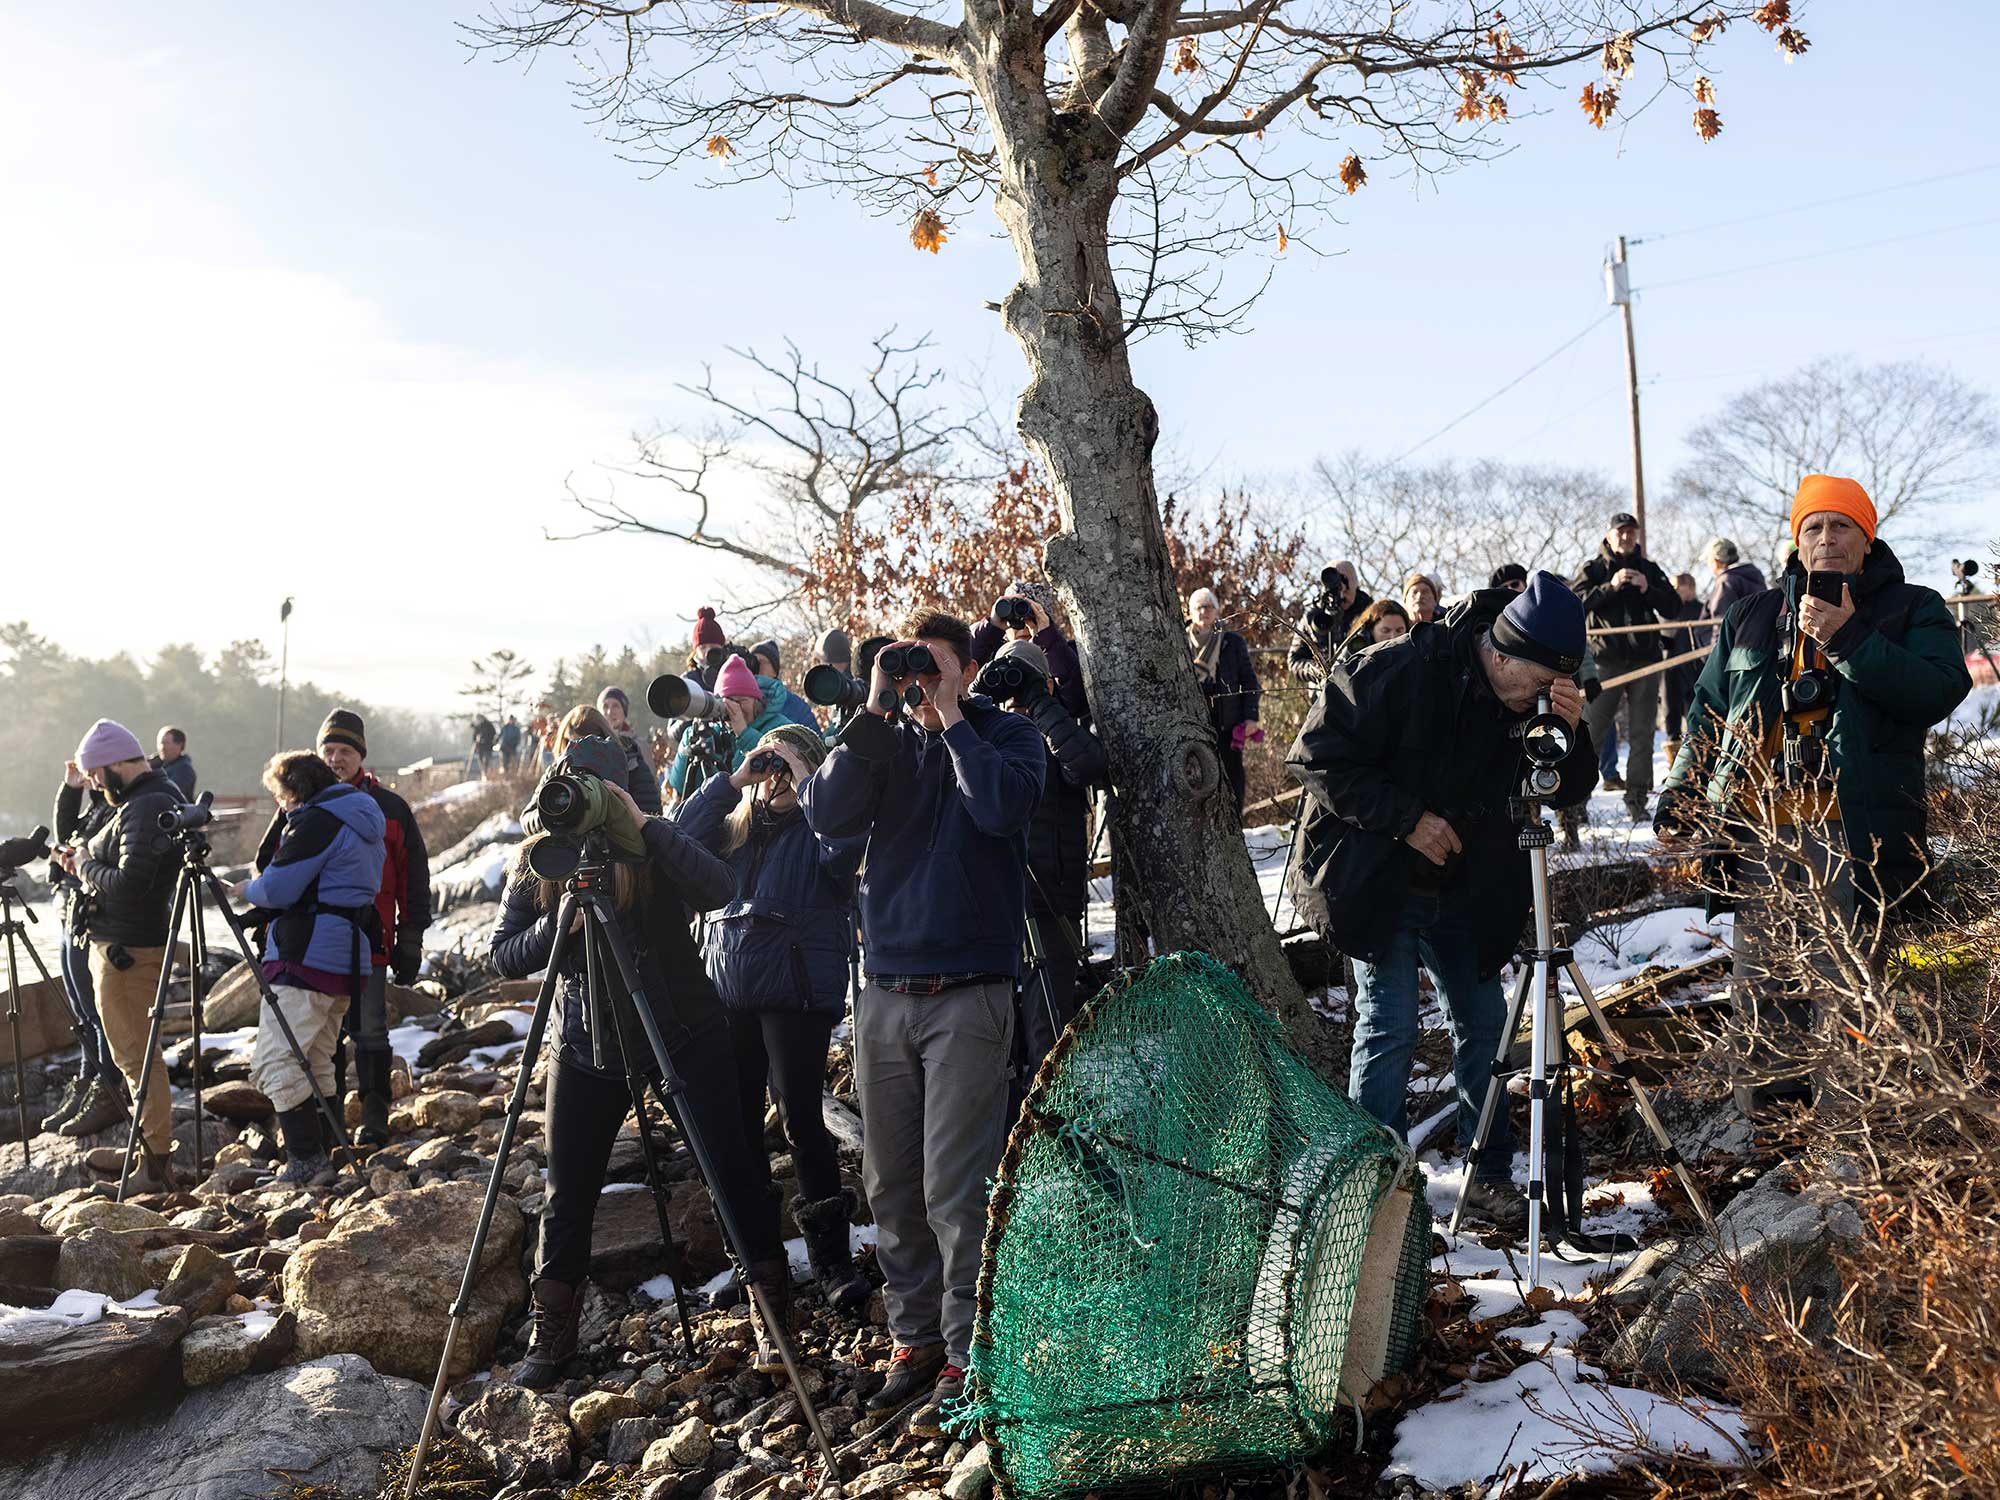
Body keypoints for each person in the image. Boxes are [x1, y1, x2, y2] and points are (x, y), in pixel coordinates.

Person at [1286, 574, 1596, 1233]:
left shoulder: (1543, 699)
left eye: (1557, 687)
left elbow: (1569, 786)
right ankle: (1379, 1202)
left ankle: (1487, 1176)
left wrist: (1569, 728)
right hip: (1375, 875)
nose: (1543, 698)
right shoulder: (1402, 667)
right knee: (1390, 1027)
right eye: (1540, 683)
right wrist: (1408, 820)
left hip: (1468, 886)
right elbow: (1314, 757)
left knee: (1484, 1026)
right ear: (1502, 655)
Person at [801, 607, 1046, 1432]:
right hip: (887, 993)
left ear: (968, 670)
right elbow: (827, 815)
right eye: (910, 667)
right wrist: (872, 711)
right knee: (890, 1184)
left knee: (952, 1184)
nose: (921, 680)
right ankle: (913, 1341)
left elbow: (1000, 811)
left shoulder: (1007, 738)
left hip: (971, 990)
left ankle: (966, 1350)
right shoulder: (883, 741)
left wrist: (950, 724)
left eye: (937, 666)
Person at [1656, 476, 1971, 1110]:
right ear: (1797, 543)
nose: (1827, 539)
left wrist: (1849, 637)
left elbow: (1939, 690)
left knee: (1848, 993)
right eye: (1813, 528)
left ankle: (1844, 1144)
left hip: (1854, 835)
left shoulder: (1915, 607)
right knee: (1763, 994)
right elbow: (1708, 713)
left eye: (1842, 526)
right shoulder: (1752, 613)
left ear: (1867, 536)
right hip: (1759, 835)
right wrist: (1681, 792)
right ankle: (1770, 1144)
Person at [492, 734, 789, 1384]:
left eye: (606, 791)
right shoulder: (542, 856)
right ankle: (554, 1334)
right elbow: (504, 953)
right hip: (587, 1041)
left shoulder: (652, 842)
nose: (589, 803)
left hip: (681, 1031)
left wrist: (648, 825)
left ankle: (772, 1315)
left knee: (729, 1167)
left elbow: (719, 887)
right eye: (576, 786)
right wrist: (557, 926)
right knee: (567, 1190)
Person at [675, 723, 871, 1311]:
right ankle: (757, 1258)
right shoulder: (737, 830)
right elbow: (678, 840)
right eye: (772, 768)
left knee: (802, 1125)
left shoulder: (824, 825)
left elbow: (845, 864)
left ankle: (832, 1261)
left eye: (788, 767)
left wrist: (813, 784)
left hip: (796, 993)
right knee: (734, 1131)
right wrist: (736, 778)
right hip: (728, 988)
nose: (777, 779)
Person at [256, 709, 432, 1148]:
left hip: (369, 941)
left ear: (361, 756)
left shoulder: (390, 808)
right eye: (328, 750)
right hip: (316, 942)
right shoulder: (298, 806)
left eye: (345, 751)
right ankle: (330, 1127)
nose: (336, 758)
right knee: (322, 1041)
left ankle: (374, 1118)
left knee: (370, 1030)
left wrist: (411, 937)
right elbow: (269, 864)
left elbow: (414, 877)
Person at [48, 720, 182, 1191]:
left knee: (136, 1058)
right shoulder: (139, 801)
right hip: (121, 943)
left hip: (129, 950)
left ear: (116, 765)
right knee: (133, 1055)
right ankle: (148, 1147)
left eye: (98, 777)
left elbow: (129, 888)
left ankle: (155, 1166)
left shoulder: (147, 806)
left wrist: (84, 865)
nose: (97, 788)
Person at [240, 752, 385, 1185]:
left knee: (275, 1060)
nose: (281, 807)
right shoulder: (362, 814)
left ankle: (306, 1159)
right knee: (317, 1056)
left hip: (307, 954)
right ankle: (325, 1155)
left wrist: (245, 889)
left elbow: (277, 886)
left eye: (281, 797)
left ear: (296, 790)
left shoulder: (317, 821)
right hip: (346, 953)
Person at [988, 638, 1107, 1091]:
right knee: (996, 1031)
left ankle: (1050, 1132)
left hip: (1051, 900)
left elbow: (1087, 766)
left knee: (1048, 1033)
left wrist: (1041, 702)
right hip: (997, 902)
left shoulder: (1061, 731)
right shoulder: (984, 730)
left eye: (1026, 678)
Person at [1571, 511, 1678, 821]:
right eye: (1620, 532)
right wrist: (1610, 587)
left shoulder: (1650, 568)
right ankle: (1576, 805)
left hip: (1645, 662)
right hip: (1604, 664)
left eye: (1631, 532)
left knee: (1643, 736)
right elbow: (1574, 603)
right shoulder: (1593, 569)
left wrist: (1648, 588)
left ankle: (1637, 802)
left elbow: (1673, 606)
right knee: (1591, 734)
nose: (1626, 537)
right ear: (1609, 534)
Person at [43, 763, 120, 1136]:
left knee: (95, 1008)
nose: (88, 776)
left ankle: (107, 1092)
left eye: (92, 770)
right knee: (79, 1008)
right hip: (70, 913)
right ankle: (88, 1081)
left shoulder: (118, 806)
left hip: (91, 919)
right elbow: (67, 833)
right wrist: (70, 789)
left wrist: (75, 858)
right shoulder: (95, 805)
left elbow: (88, 853)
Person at [667, 655, 802, 795]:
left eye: (742, 700)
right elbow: (679, 787)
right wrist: (690, 744)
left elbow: (787, 769)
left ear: (756, 702)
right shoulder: (705, 733)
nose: (735, 707)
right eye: (729, 700)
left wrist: (744, 734)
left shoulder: (780, 727)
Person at [1187, 587, 1261, 816]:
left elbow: (1249, 681)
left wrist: (1251, 716)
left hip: (1227, 725)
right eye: (1198, 608)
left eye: (1208, 607)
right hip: (1194, 725)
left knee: (1232, 780)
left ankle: (1235, 827)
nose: (1203, 612)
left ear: (1217, 611)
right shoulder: (1179, 642)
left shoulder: (1231, 642)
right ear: (1191, 612)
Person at [1288, 561, 1373, 686]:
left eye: (1345, 581)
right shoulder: (1312, 617)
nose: (1341, 590)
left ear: (1356, 583)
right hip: (1323, 693)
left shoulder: (1372, 614)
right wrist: (1318, 670)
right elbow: (1294, 661)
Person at [598, 687, 666, 815]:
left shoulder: (638, 744)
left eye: (616, 706)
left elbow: (650, 785)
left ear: (624, 710)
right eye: (605, 706)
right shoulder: (594, 745)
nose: (609, 711)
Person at [1661, 572, 1704, 766]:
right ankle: (1674, 765)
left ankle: (1698, 762)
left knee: (1696, 713)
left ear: (1691, 587)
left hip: (1695, 668)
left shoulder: (1702, 610)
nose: (1677, 591)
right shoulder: (1669, 611)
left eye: (1680, 586)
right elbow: (1664, 639)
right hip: (1671, 668)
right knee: (1671, 714)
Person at [1702, 537, 1767, 645]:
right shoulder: (1754, 577)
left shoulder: (1726, 582)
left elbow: (1722, 623)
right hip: (1760, 642)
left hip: (1739, 649)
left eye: (1709, 561)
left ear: (1716, 562)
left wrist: (1716, 654)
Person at [745, 639, 820, 730]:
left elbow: (813, 740)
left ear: (775, 671)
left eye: (761, 662)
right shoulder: (739, 700)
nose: (756, 667)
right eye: (752, 662)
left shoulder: (796, 706)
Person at [1339, 598, 1411, 659]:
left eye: (1399, 631)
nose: (1393, 637)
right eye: (1385, 631)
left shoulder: (1414, 655)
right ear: (1371, 631)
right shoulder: (1355, 654)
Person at [152, 727, 196, 800]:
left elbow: (170, 793)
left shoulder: (184, 770)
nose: (162, 747)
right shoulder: (155, 765)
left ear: (179, 745)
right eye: (160, 743)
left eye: (166, 743)